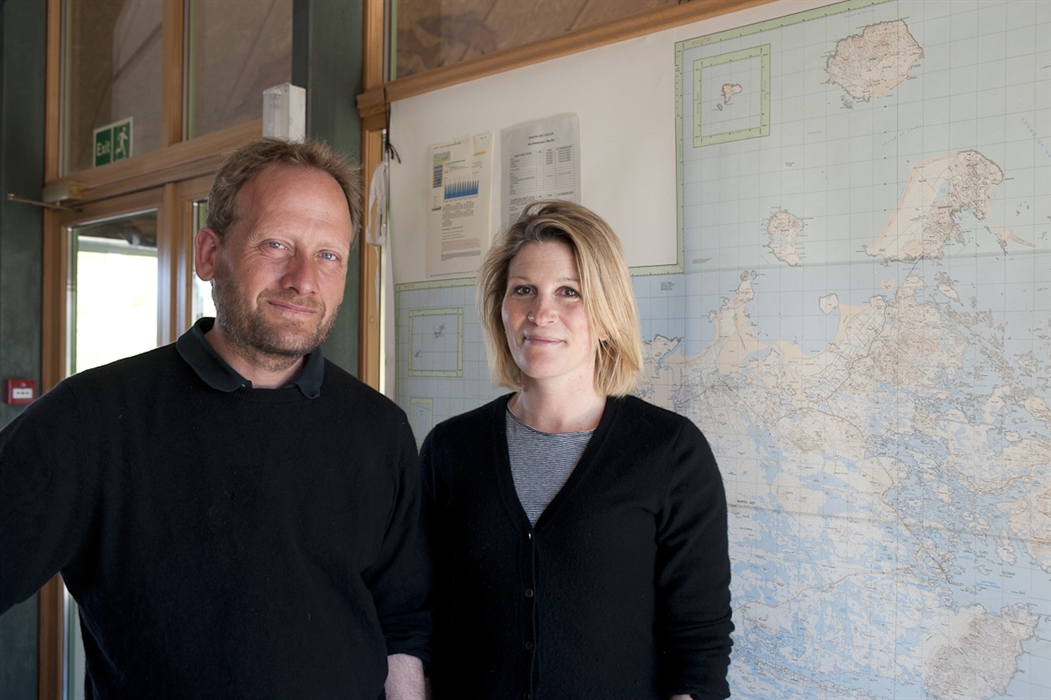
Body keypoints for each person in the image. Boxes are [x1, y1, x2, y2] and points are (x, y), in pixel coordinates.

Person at [0, 138, 430, 699]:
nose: (303, 279)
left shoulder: (381, 430)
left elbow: (401, 624)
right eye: (276, 244)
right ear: (208, 253)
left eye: (329, 255)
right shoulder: (91, 419)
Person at [420, 200, 733, 699]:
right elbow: (418, 614)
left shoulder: (670, 452)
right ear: (501, 308)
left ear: (607, 317)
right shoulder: (450, 448)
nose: (540, 313)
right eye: (523, 290)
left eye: (570, 292)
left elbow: (699, 645)